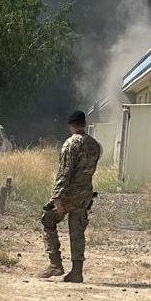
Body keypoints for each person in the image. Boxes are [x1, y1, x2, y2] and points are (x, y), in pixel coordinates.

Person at [39, 110, 102, 282]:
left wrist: (57, 197)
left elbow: (64, 172)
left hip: (69, 195)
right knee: (77, 231)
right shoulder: (95, 145)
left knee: (48, 220)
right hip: (85, 194)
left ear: (70, 125)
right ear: (85, 123)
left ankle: (55, 264)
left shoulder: (70, 144)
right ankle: (77, 271)